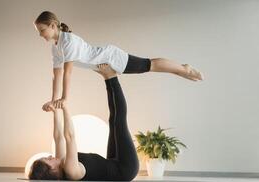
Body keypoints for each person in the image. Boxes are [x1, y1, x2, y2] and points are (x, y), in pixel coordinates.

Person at [33, 11, 204, 112]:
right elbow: (57, 75)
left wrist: (64, 98)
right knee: (149, 66)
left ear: (53, 26)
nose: (40, 35)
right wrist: (53, 99)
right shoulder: (56, 47)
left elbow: (68, 72)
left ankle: (183, 68)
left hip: (111, 57)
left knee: (149, 65)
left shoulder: (68, 41)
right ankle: (181, 71)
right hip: (105, 63)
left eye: (42, 30)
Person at [29, 64, 139, 181]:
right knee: (119, 121)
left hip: (112, 162)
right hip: (125, 169)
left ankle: (108, 78)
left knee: (113, 120)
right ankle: (112, 77)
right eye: (48, 160)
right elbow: (69, 137)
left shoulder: (61, 162)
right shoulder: (71, 171)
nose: (50, 156)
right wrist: (65, 108)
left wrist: (55, 110)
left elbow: (58, 137)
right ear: (53, 171)